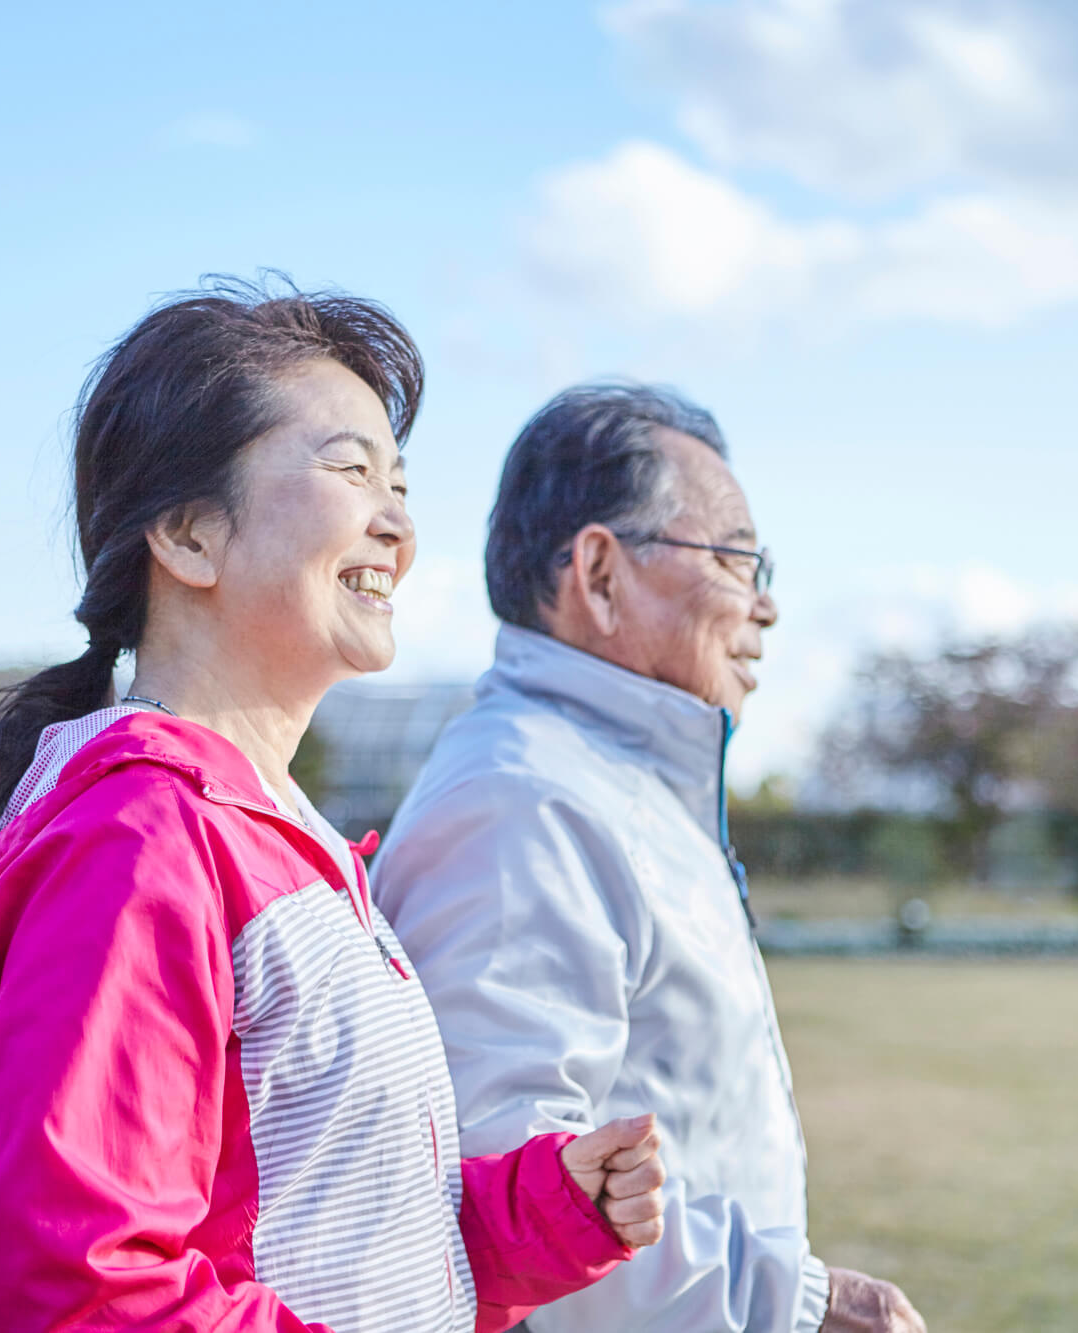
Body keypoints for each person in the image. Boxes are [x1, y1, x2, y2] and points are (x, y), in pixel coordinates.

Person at [0, 286, 667, 1333]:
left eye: (398, 482)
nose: (397, 522)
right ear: (189, 533)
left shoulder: (281, 845)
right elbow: (79, 1287)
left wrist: (546, 1211)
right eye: (348, 469)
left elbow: (351, 1240)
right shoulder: (142, 843)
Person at [371, 384, 928, 1333]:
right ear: (598, 572)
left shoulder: (605, 787)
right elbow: (500, 1193)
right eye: (738, 556)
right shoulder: (525, 803)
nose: (767, 605)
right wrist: (795, 1302)